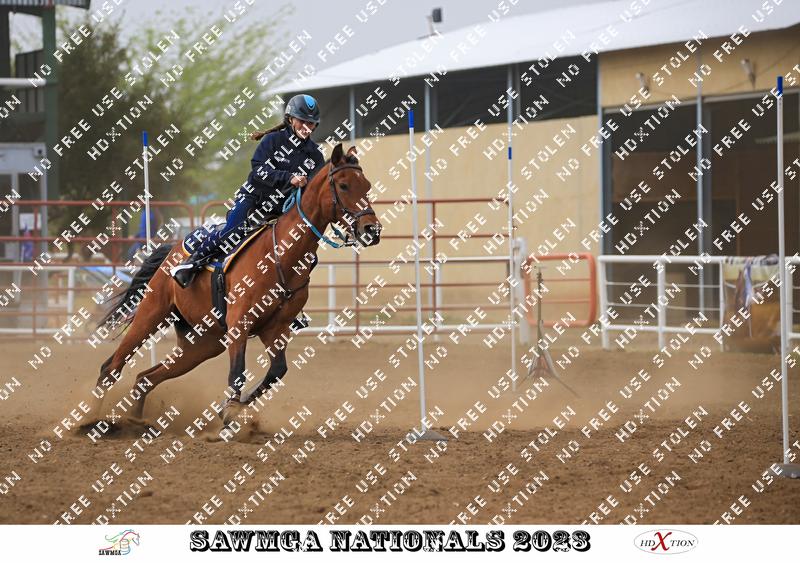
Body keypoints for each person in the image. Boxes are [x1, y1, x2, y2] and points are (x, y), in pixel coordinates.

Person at [170, 94, 325, 329]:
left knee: (308, 256)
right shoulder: (272, 141)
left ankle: (291, 306)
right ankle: (192, 263)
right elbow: (258, 172)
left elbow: (315, 189)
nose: (307, 127)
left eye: (311, 123)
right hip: (254, 200)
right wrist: (288, 178)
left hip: (284, 211)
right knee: (230, 233)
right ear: (290, 119)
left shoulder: (315, 154)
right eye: (302, 121)